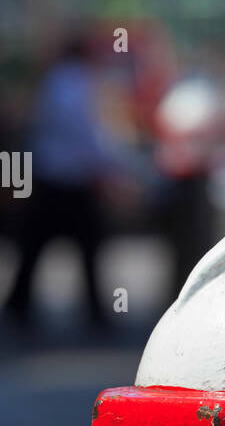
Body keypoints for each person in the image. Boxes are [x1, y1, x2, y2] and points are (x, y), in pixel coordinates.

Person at [6, 30, 132, 327]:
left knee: (36, 247)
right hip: (69, 180)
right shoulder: (76, 81)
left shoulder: (55, 79)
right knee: (87, 248)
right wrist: (110, 167)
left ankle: (19, 306)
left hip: (51, 176)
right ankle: (93, 312)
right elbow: (85, 133)